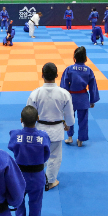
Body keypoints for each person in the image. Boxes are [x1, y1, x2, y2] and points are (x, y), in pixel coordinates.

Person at [27, 63, 75, 191]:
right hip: (56, 130)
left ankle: (37, 178)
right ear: (57, 75)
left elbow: (28, 114)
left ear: (42, 75)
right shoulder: (64, 93)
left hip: (39, 130)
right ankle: (50, 181)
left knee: (38, 156)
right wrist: (68, 125)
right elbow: (69, 115)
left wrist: (26, 129)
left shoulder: (35, 93)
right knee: (54, 156)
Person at [10, 105, 50, 216]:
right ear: (38, 118)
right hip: (37, 175)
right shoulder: (43, 136)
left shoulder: (15, 135)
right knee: (36, 201)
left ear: (21, 120)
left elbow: (12, 147)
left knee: (19, 198)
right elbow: (47, 154)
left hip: (19, 175)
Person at [61, 46, 99, 147]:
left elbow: (64, 85)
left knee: (69, 117)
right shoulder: (88, 70)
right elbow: (93, 86)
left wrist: (63, 99)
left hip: (70, 98)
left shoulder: (69, 69)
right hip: (83, 98)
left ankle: (69, 137)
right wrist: (92, 100)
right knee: (83, 120)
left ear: (74, 57)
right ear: (85, 58)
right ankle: (80, 140)